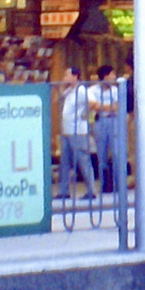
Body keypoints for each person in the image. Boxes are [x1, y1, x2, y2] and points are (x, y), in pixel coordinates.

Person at [56, 67, 97, 201]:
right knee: (65, 162)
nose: (65, 77)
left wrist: (87, 114)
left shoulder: (81, 90)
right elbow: (59, 99)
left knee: (83, 161)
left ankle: (91, 190)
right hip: (66, 131)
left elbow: (93, 103)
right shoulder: (69, 91)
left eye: (67, 75)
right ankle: (63, 190)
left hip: (78, 131)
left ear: (75, 76)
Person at [92, 65, 126, 194]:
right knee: (102, 155)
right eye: (112, 74)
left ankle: (119, 184)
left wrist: (102, 106)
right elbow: (93, 106)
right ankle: (105, 185)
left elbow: (117, 107)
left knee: (117, 153)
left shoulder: (116, 90)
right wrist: (108, 107)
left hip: (114, 121)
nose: (114, 77)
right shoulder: (93, 90)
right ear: (105, 76)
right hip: (100, 122)